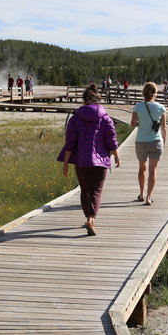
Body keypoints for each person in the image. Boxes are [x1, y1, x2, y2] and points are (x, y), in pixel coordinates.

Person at [57, 84, 120, 236]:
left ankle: (88, 217)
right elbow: (111, 139)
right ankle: (92, 219)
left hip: (82, 161)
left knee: (85, 190)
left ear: (84, 100)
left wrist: (65, 162)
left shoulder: (75, 118)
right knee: (96, 191)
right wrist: (116, 155)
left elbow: (70, 142)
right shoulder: (105, 118)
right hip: (101, 162)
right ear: (98, 99)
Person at [130, 81, 167, 206]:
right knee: (153, 170)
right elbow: (164, 127)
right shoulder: (161, 108)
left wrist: (142, 123)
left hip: (141, 141)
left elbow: (133, 124)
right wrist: (164, 142)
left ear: (143, 93)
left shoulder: (138, 107)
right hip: (156, 141)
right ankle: (149, 197)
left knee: (142, 168)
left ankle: (141, 194)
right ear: (155, 93)